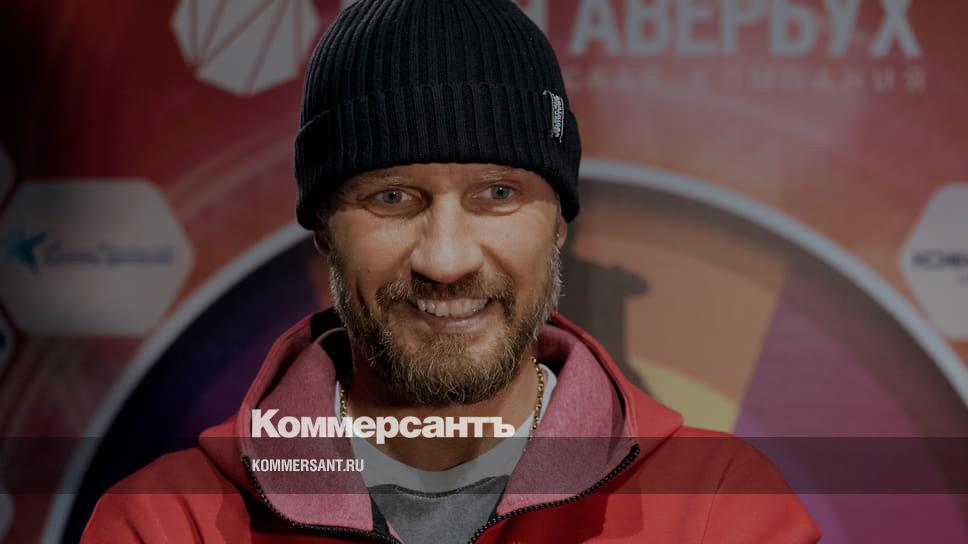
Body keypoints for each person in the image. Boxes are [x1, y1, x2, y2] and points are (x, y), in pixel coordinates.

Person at [83, 1, 820, 542]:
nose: (446, 259)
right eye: (392, 197)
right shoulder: (166, 524)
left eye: (497, 194)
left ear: (560, 221)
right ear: (324, 230)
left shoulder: (719, 510)